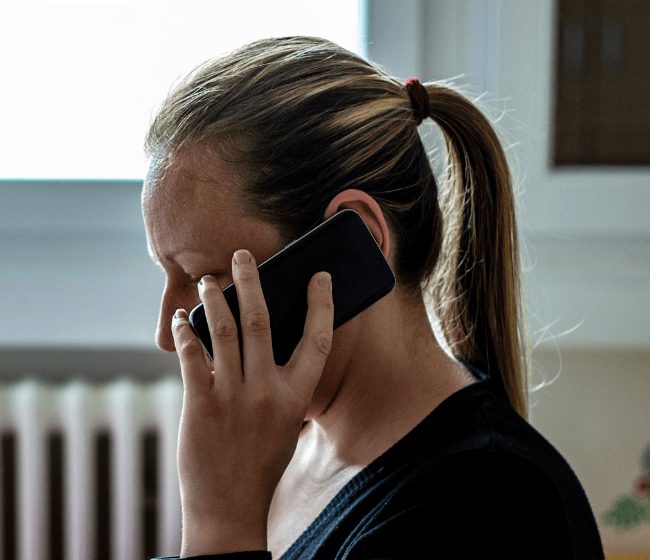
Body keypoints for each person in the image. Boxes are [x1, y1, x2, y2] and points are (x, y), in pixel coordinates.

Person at [141, 37, 603, 559]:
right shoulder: (282, 449)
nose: (166, 334)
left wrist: (220, 524)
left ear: (353, 240)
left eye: (205, 277)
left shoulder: (490, 507)